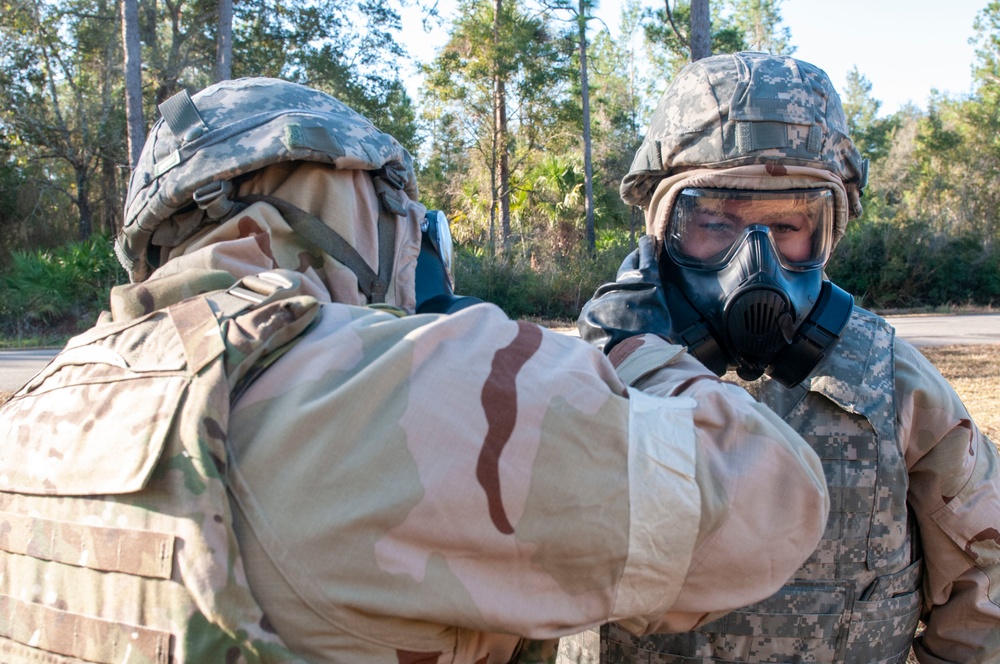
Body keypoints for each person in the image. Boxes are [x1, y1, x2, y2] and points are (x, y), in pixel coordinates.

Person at [0, 77, 830, 663]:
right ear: (341, 201)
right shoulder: (399, 382)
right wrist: (630, 354)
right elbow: (772, 498)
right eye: (399, 214)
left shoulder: (37, 411)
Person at [571, 52, 1000, 664]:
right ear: (660, 232)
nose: (757, 266)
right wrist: (616, 373)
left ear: (830, 231)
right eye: (715, 221)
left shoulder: (895, 388)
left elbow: (987, 582)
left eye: (790, 225)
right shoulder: (585, 380)